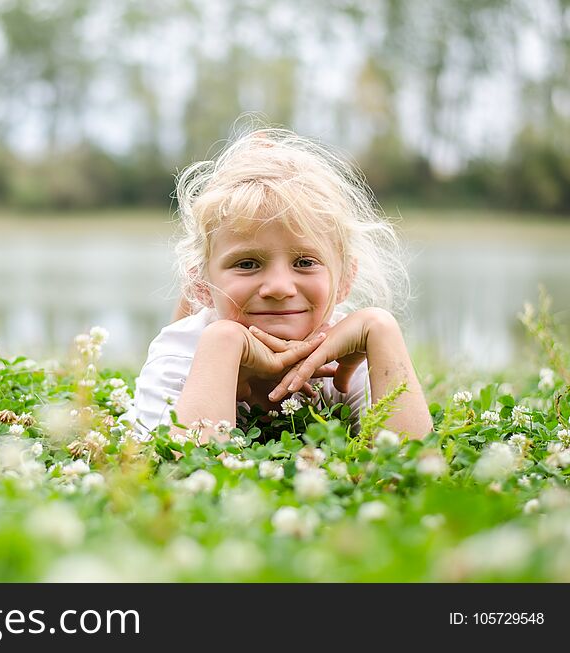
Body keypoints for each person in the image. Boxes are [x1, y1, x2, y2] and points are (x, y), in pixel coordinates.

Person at [124, 126, 432, 443]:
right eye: (247, 264)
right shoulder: (179, 355)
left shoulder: (350, 356)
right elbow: (180, 470)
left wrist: (381, 329)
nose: (279, 288)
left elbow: (412, 466)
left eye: (305, 262)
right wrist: (223, 343)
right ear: (201, 285)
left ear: (344, 281)